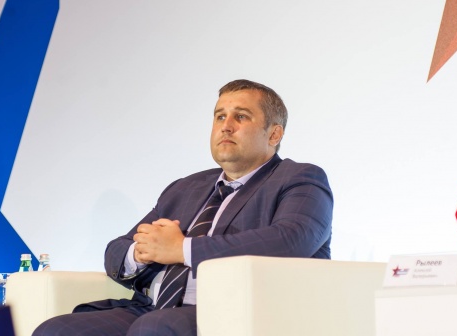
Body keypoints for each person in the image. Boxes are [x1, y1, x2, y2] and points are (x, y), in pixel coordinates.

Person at [32, 79, 333, 336]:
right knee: (55, 330)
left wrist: (182, 249)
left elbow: (292, 239)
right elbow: (117, 249)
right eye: (219, 116)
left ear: (274, 134)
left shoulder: (300, 178)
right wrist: (141, 252)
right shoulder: (186, 187)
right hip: (152, 307)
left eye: (241, 117)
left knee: (154, 328)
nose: (226, 126)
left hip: (240, 313)